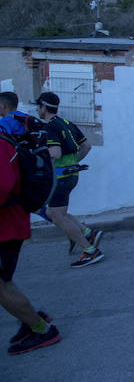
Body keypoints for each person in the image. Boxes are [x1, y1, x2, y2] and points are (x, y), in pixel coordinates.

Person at [1, 130, 61, 355]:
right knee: (4, 282)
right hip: (9, 225)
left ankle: (42, 329)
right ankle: (32, 319)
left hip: (5, 228)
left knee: (1, 286)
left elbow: (2, 185)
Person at [32, 92, 104, 268]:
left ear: (43, 107)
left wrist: (32, 156)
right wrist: (73, 162)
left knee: (57, 217)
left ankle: (89, 251)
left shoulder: (50, 127)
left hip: (60, 178)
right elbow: (86, 146)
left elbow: (55, 153)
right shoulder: (67, 123)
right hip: (72, 175)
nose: (36, 109)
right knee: (59, 213)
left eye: (38, 106)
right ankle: (88, 233)